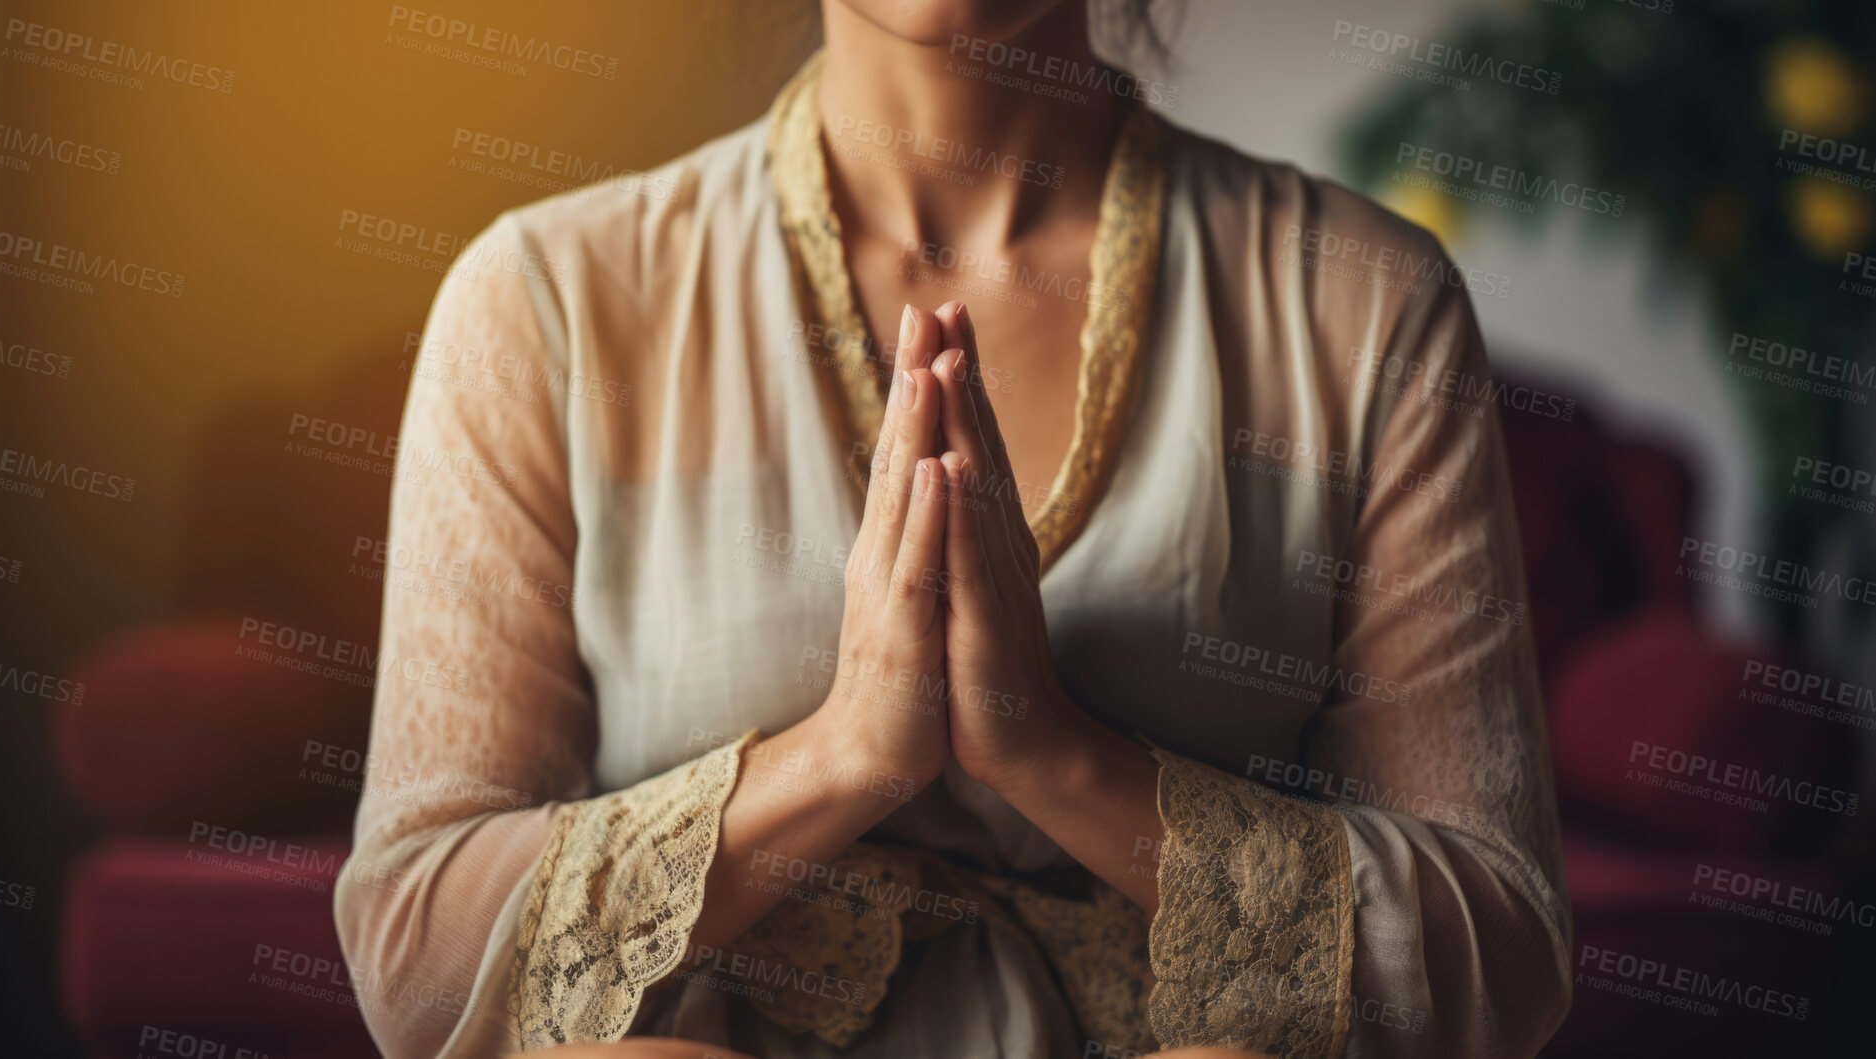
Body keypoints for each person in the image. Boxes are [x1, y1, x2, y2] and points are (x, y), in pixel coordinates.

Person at [333, 1, 1572, 1056]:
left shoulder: (1363, 305)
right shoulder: (547, 304)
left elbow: (1503, 953)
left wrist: (1053, 754)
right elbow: (412, 953)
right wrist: (841, 758)